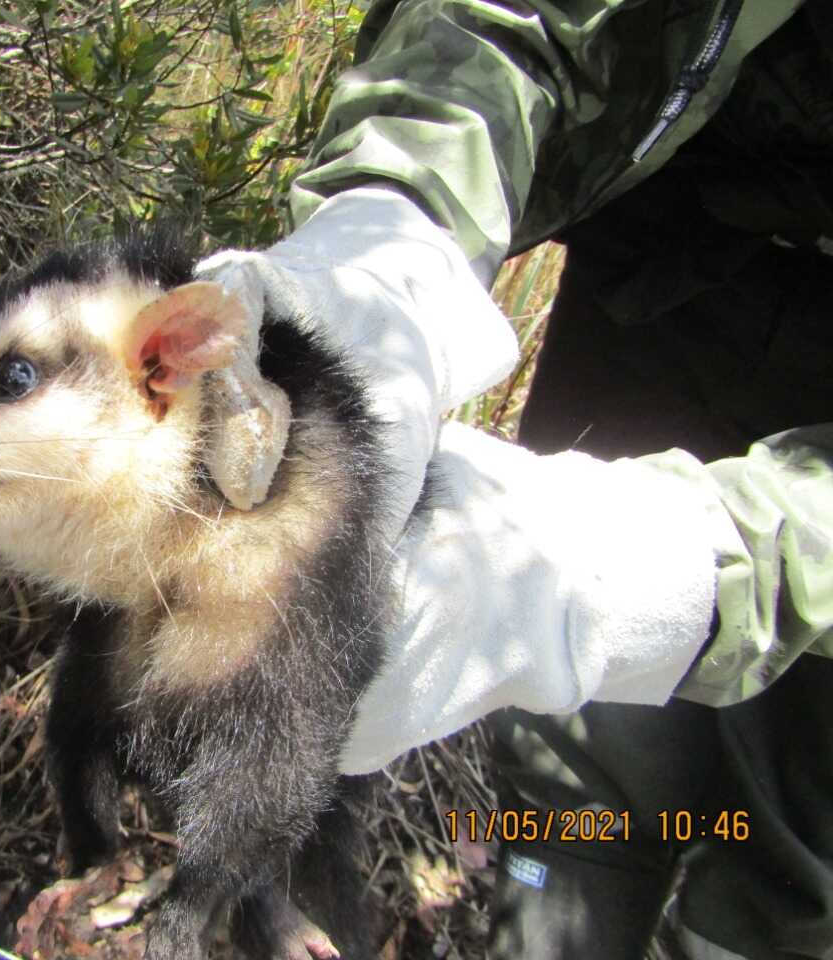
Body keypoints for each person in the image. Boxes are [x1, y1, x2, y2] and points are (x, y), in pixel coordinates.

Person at [198, 1, 833, 957]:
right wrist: (388, 227)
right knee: (580, 777)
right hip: (677, 269)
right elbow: (519, 17)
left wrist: (631, 579)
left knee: (793, 859)